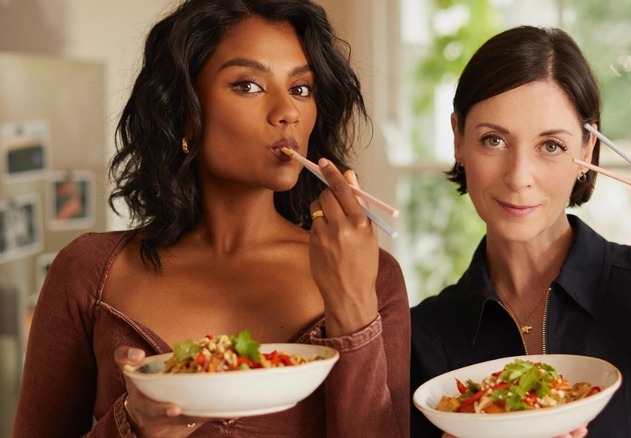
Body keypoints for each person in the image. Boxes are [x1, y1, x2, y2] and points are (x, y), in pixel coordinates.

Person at [14, 1, 410, 437]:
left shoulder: (374, 276)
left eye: (301, 88)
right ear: (186, 111)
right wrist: (132, 425)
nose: (289, 112)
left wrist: (352, 305)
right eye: (248, 85)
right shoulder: (89, 273)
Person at [410, 25, 631, 438]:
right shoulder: (423, 335)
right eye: (493, 139)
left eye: (551, 146)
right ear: (458, 138)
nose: (519, 177)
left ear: (586, 151)